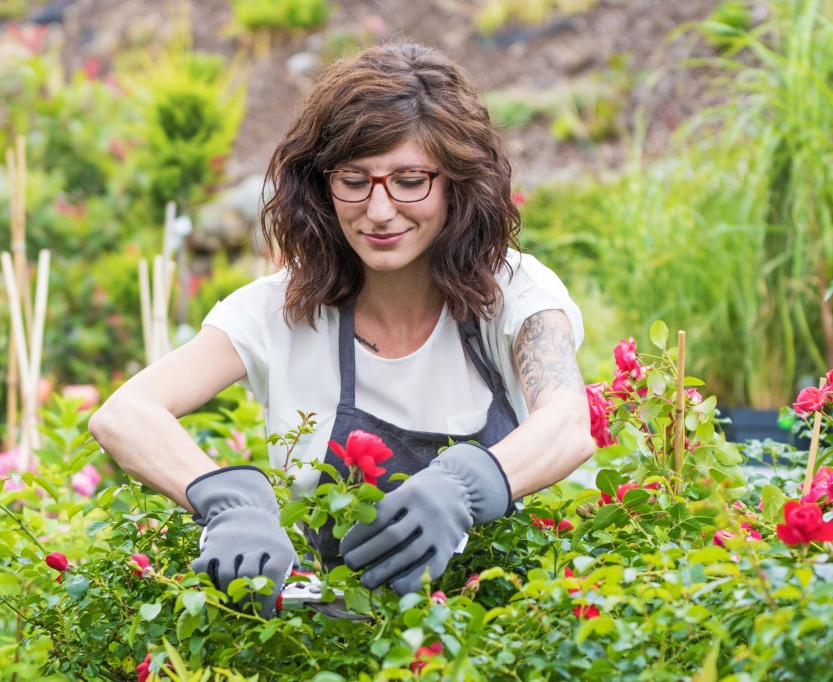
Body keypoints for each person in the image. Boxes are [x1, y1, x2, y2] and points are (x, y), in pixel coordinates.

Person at [89, 42, 594, 615]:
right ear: (321, 187)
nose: (379, 211)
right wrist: (228, 500)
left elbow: (568, 422)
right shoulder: (281, 310)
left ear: (457, 182)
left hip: (499, 633)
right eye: (354, 180)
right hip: (332, 643)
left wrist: (465, 484)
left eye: (409, 180)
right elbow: (125, 414)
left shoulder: (511, 292)